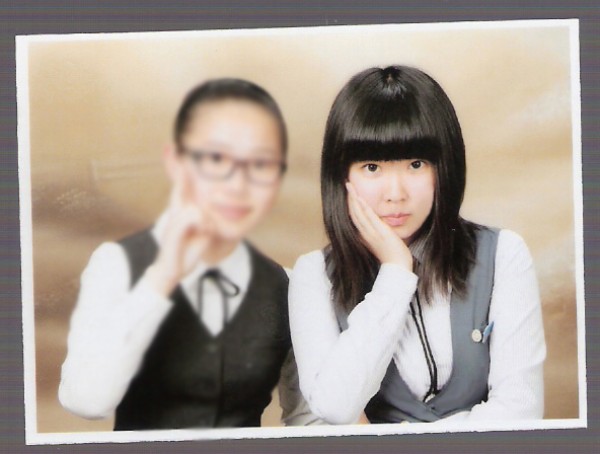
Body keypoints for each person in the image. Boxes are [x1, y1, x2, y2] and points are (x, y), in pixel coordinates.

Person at [288, 65, 546, 425]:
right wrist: (395, 272)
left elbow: (522, 410)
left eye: (416, 164)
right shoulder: (315, 275)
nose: (396, 194)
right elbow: (334, 407)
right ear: (341, 175)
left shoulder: (504, 254)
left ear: (445, 167)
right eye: (372, 167)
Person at [59, 78, 298, 430]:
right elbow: (85, 400)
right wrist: (161, 278)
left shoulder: (286, 284)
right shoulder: (116, 264)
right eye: (216, 158)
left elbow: (307, 417)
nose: (238, 185)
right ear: (176, 161)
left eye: (261, 164)